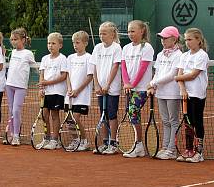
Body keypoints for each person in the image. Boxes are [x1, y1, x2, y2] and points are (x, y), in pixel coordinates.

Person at [147, 26, 184, 160]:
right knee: (165, 121)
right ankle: (165, 147)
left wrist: (153, 83)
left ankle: (172, 150)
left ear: (174, 39)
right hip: (161, 93)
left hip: (173, 93)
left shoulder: (179, 55)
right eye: (162, 38)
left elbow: (172, 75)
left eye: (166, 38)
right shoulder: (160, 54)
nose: (163, 40)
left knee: (173, 121)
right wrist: (153, 85)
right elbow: (157, 73)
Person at [174, 28, 210, 163]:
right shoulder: (184, 56)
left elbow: (193, 74)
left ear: (198, 40)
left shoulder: (202, 55)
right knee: (188, 123)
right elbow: (180, 74)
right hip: (185, 95)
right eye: (186, 40)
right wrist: (182, 89)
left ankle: (199, 152)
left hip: (197, 94)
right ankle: (189, 149)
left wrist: (178, 78)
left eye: (190, 39)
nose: (187, 42)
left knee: (197, 122)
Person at [121, 20, 154, 158]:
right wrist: (127, 83)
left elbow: (143, 68)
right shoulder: (126, 48)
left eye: (133, 31)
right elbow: (123, 67)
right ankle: (138, 146)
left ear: (142, 31)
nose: (130, 34)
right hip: (130, 88)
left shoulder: (147, 47)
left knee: (133, 111)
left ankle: (138, 144)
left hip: (142, 88)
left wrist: (133, 84)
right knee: (133, 114)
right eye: (128, 31)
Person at [93, 21, 123, 155]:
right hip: (100, 89)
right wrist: (97, 85)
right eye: (100, 33)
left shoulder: (117, 48)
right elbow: (94, 67)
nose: (101, 36)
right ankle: (105, 142)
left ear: (112, 34)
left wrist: (107, 85)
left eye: (104, 33)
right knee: (102, 115)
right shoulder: (97, 48)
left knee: (111, 115)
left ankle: (113, 143)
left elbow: (115, 67)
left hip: (112, 88)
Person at [5, 27, 35, 146]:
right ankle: (12, 134)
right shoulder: (13, 52)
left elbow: (35, 68)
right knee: (11, 111)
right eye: (12, 39)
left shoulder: (28, 53)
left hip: (20, 86)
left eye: (15, 39)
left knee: (16, 110)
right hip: (9, 85)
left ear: (23, 40)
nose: (13, 41)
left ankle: (16, 136)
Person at [66, 31, 93, 151]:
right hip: (70, 95)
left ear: (85, 43)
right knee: (69, 120)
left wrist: (78, 90)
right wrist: (70, 89)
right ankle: (75, 140)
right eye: (73, 43)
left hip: (82, 96)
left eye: (77, 42)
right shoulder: (70, 58)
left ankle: (84, 141)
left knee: (75, 118)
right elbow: (67, 75)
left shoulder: (89, 58)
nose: (75, 45)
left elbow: (89, 77)